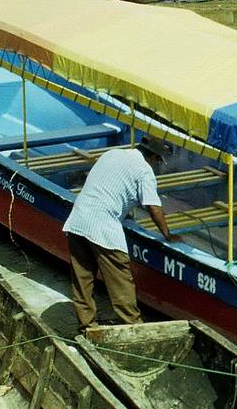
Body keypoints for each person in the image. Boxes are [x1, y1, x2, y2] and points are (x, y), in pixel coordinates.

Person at [62, 139, 172, 333]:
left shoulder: (113, 153)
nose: (156, 166)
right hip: (102, 227)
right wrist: (168, 234)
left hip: (77, 220)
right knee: (121, 282)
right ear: (153, 157)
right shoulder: (144, 170)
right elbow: (153, 207)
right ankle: (134, 329)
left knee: (82, 281)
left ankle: (87, 327)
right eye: (157, 162)